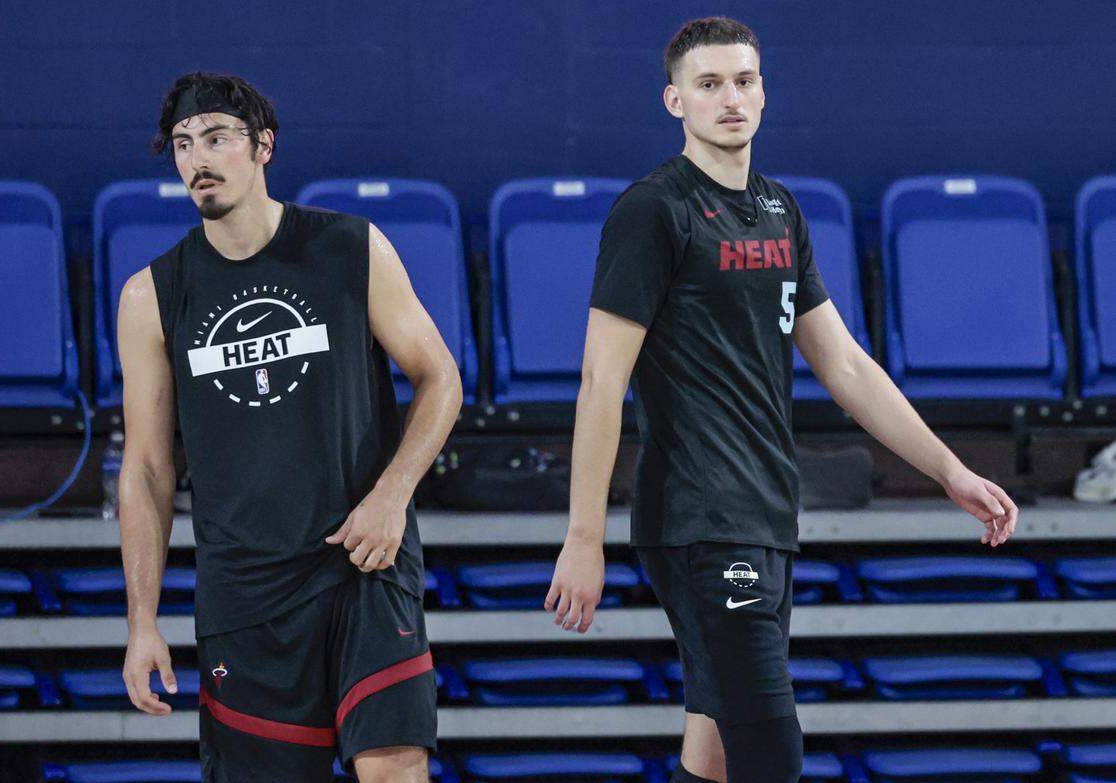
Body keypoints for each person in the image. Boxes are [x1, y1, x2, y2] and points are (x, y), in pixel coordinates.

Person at [545, 17, 1019, 783]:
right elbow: (602, 380)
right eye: (709, 84)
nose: (730, 98)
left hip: (768, 512)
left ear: (763, 91)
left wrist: (950, 470)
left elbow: (847, 366)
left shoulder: (779, 211)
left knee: (715, 746)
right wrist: (583, 535)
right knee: (771, 747)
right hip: (700, 516)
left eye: (744, 80)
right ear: (675, 101)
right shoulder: (653, 211)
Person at [117, 72, 461, 782]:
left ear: (263, 146)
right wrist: (142, 622)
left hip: (363, 566)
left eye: (217, 138)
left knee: (395, 768)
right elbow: (147, 469)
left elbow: (441, 379)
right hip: (246, 595)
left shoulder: (350, 247)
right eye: (183, 144)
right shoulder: (151, 295)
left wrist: (393, 494)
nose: (198, 159)